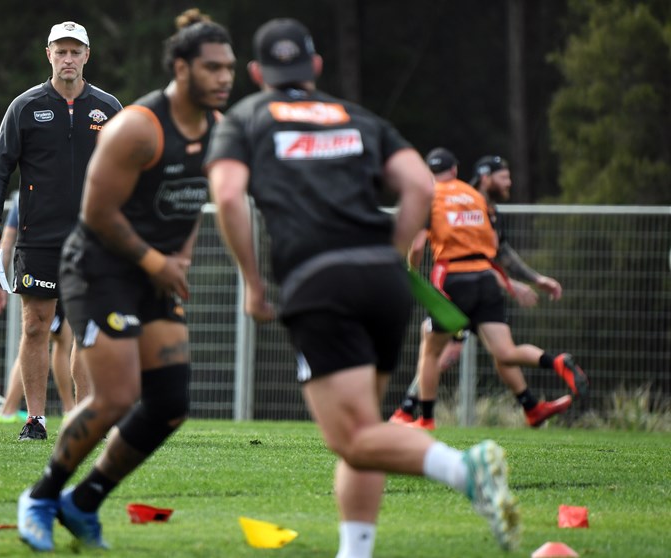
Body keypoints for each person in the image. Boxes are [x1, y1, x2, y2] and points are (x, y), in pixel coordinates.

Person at [205, 18, 520, 556]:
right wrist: (390, 260)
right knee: (366, 434)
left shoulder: (246, 118)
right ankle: (356, 551)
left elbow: (230, 197)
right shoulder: (358, 118)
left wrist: (253, 284)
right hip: (382, 282)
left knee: (350, 437)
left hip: (319, 283)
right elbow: (421, 184)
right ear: (316, 68)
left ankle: (464, 469)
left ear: (257, 73)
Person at [16, 9, 235, 551]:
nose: (225, 78)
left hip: (150, 270)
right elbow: (96, 215)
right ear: (182, 69)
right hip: (98, 265)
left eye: (229, 67)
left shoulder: (217, 130)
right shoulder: (138, 123)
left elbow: (191, 206)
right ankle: (40, 498)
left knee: (170, 404)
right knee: (114, 398)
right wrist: (155, 262)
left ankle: (83, 502)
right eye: (213, 68)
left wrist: (176, 262)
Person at [0, 21, 122, 441]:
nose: (68, 59)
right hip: (39, 236)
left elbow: (131, 168)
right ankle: (35, 420)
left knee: (88, 327)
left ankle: (85, 417)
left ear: (87, 56)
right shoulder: (25, 106)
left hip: (95, 238)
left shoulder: (109, 107)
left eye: (76, 51)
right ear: (49, 55)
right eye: (61, 51)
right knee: (37, 325)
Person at [394, 148, 588, 431]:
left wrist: (410, 270)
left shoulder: (430, 195)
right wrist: (514, 282)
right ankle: (555, 363)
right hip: (486, 279)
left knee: (432, 352)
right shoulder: (477, 199)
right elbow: (497, 249)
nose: (508, 182)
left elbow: (420, 244)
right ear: (456, 170)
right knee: (506, 352)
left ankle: (422, 418)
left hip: (454, 279)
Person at [0, 192, 76, 423]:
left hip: (62, 267)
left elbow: (7, 241)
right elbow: (6, 240)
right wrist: (0, 284)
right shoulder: (28, 194)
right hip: (54, 269)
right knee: (50, 339)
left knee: (43, 338)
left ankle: (10, 409)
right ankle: (69, 410)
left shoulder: (26, 192)